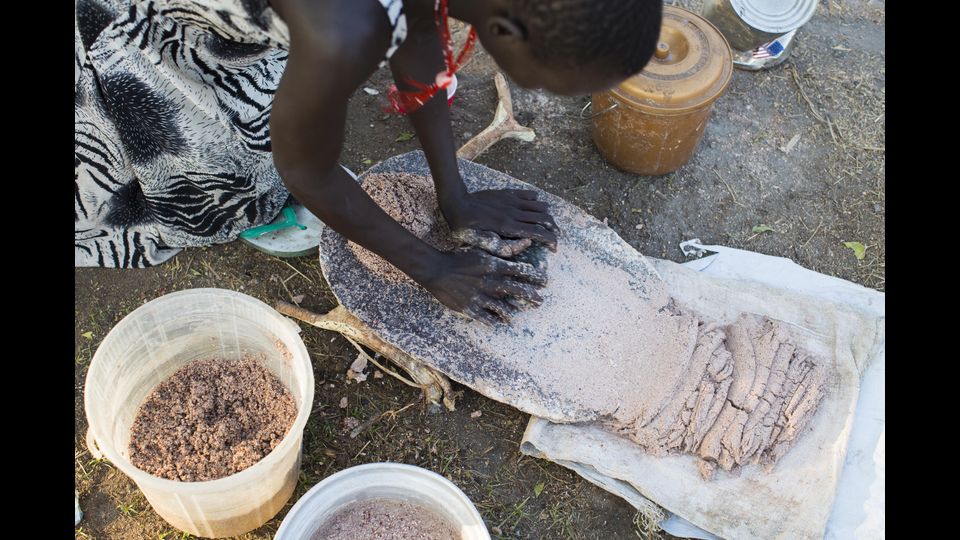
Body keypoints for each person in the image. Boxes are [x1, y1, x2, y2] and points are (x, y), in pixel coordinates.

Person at [74, 0, 662, 323]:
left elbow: (420, 34)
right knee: (221, 170)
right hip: (140, 15)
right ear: (504, 28)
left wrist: (454, 199)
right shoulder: (346, 26)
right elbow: (306, 173)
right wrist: (432, 268)